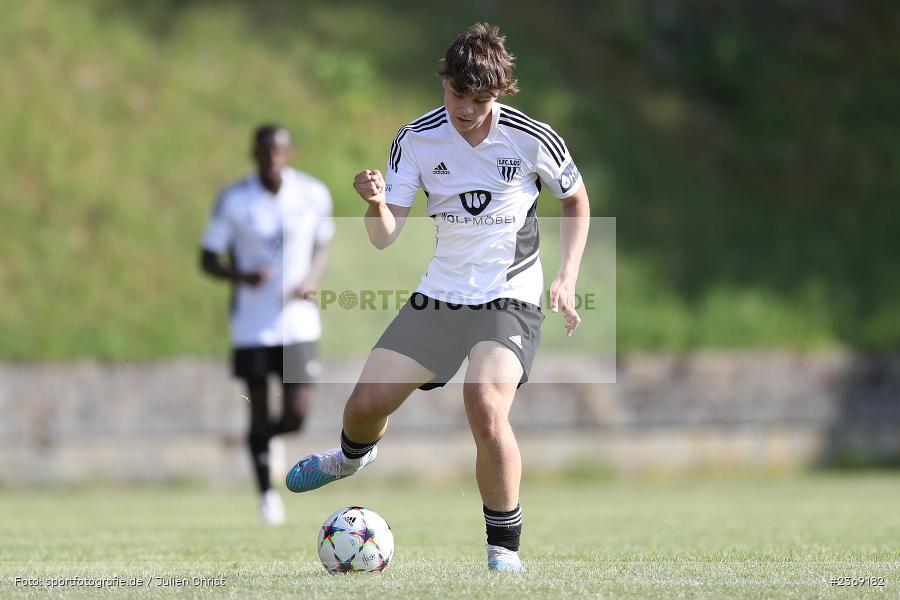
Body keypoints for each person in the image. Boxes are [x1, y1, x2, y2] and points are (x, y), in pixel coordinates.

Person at [286, 23, 590, 572]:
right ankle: (352, 459)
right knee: (363, 408)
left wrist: (566, 276)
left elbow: (575, 200)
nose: (468, 110)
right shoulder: (417, 139)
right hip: (442, 295)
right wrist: (376, 202)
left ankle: (503, 551)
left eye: (481, 100)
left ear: (499, 93)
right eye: (458, 95)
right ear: (444, 81)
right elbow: (384, 237)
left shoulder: (532, 137)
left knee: (486, 405)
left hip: (510, 296)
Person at [200, 124, 334, 525]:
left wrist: (311, 279)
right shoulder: (235, 200)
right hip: (253, 325)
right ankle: (267, 497)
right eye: (265, 151)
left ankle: (267, 442)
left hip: (298, 323)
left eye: (279, 150)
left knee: (297, 413)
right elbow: (208, 258)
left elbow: (323, 244)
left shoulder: (312, 194)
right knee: (256, 410)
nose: (273, 157)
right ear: (254, 154)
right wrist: (241, 275)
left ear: (289, 154)